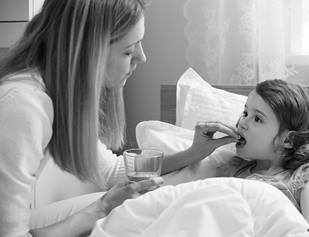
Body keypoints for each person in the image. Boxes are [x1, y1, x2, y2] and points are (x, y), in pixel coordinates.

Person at [0, 0, 239, 236]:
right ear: (87, 51)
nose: (142, 57)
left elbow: (111, 172)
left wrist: (193, 153)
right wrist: (100, 208)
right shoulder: (23, 106)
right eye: (128, 50)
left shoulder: (55, 94)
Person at [215, 79, 309, 234]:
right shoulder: (233, 169)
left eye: (257, 118)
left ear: (288, 139)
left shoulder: (304, 181)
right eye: (245, 113)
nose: (242, 123)